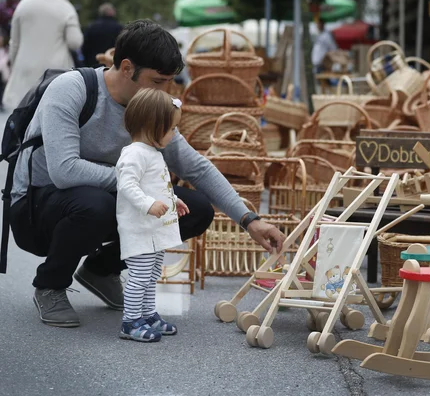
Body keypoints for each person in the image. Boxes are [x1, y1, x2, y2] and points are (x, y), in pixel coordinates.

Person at [9, 19, 285, 328]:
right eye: (157, 81)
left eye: (169, 82)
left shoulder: (151, 107)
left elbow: (196, 167)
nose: (164, 91)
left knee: (196, 210)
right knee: (95, 203)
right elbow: (64, 171)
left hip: (104, 196)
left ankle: (101, 271)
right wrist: (138, 185)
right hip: (37, 208)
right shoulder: (72, 89)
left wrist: (250, 220)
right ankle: (50, 284)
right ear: (127, 68)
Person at [117, 89, 187, 342]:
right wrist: (147, 204)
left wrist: (173, 200)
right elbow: (126, 185)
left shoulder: (151, 152)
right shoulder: (134, 154)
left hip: (154, 231)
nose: (173, 134)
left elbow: (155, 185)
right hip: (140, 230)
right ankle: (130, 321)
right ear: (152, 126)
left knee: (153, 273)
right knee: (140, 276)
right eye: (170, 129)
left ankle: (147, 314)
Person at [2, 0, 83, 111]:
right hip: (55, 72)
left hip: (25, 69)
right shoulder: (66, 8)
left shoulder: (23, 5)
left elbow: (14, 42)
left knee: (22, 119)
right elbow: (75, 42)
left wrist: (16, 66)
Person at [82, 3, 123, 67]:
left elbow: (85, 47)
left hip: (93, 63)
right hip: (112, 63)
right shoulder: (119, 28)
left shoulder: (91, 27)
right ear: (111, 12)